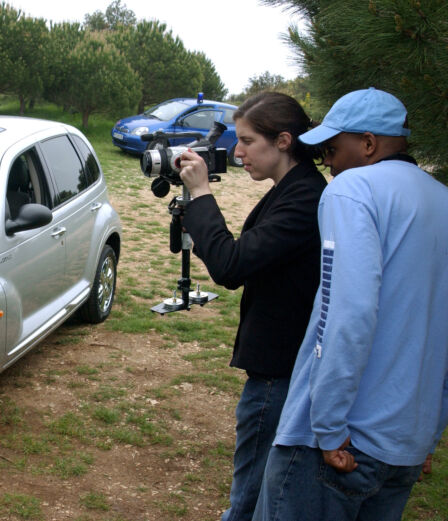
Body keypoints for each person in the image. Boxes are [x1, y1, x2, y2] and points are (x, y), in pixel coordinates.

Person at [253, 87, 448, 521]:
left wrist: (326, 427)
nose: (329, 164)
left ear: (368, 144)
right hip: (404, 445)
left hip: (341, 442)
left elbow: (348, 314)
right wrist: (427, 433)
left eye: (332, 149)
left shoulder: (353, 190)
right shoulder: (442, 198)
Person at [177, 92, 327, 521]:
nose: (237, 152)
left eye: (246, 140)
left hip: (279, 369)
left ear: (282, 141)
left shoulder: (305, 198)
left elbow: (230, 265)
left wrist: (201, 192)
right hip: (281, 363)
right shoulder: (293, 188)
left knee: (250, 495)